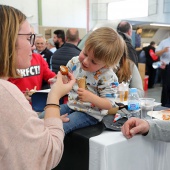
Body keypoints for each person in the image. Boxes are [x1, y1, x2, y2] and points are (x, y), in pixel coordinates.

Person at [0, 4, 75, 169]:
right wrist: (54, 97)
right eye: (29, 38)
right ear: (8, 40)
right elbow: (48, 153)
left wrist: (43, 123)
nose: (34, 46)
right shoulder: (5, 92)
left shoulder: (38, 61)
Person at [48, 27, 126, 134]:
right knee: (44, 117)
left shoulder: (108, 77)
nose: (85, 61)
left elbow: (109, 104)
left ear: (106, 64)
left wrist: (90, 97)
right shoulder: (75, 62)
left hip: (90, 114)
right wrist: (58, 79)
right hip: (71, 105)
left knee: (60, 127)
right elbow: (65, 76)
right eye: (85, 53)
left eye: (93, 62)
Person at [155, 37, 170, 107]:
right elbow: (156, 53)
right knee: (166, 87)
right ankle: (165, 105)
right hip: (166, 67)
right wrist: (164, 50)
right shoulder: (164, 42)